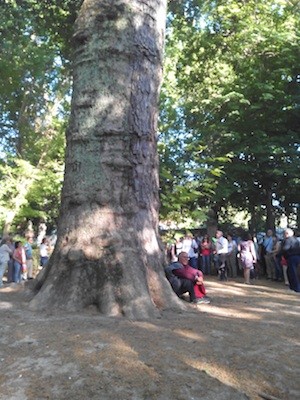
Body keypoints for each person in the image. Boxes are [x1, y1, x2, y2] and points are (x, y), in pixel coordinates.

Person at [279, 228, 300, 292]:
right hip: (297, 257)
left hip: (291, 257)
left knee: (292, 272)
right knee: (292, 272)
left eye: (284, 233)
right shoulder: (296, 240)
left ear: (287, 234)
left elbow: (285, 248)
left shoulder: (288, 240)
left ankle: (295, 288)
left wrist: (280, 253)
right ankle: (294, 287)